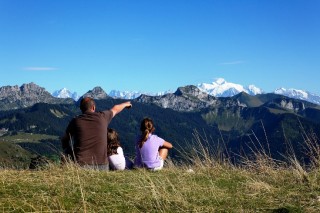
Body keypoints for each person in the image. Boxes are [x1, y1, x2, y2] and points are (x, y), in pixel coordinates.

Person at [61, 97, 132, 170]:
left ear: (81, 109)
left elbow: (64, 139)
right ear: (93, 107)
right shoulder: (103, 117)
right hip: (102, 166)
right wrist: (125, 104)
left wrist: (69, 152)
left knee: (66, 152)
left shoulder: (75, 121)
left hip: (81, 166)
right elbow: (115, 109)